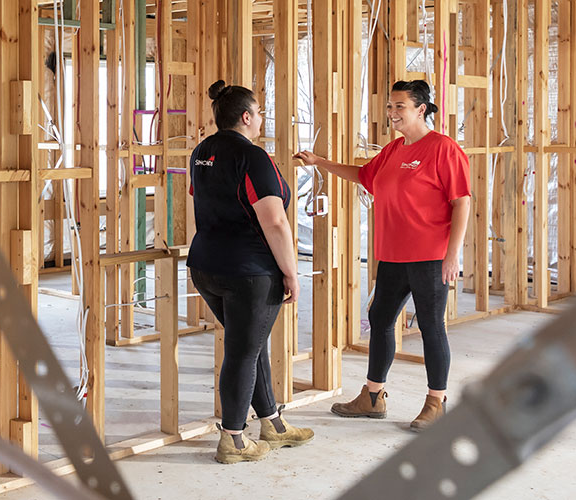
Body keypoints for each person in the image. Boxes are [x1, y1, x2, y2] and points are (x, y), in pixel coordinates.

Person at [295, 80, 472, 432]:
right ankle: (373, 396)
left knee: (431, 326)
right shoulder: (394, 150)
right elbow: (363, 175)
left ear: (421, 109)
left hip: (430, 256)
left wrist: (452, 256)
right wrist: (319, 162)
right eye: (390, 106)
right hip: (393, 255)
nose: (392, 113)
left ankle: (436, 402)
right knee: (379, 318)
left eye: (400, 106)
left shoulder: (443, 149)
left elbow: (462, 201)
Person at [189, 80, 316, 464]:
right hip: (249, 271)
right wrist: (291, 273)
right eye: (259, 112)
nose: (261, 118)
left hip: (206, 266)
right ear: (246, 117)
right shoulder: (253, 157)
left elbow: (207, 200)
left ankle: (273, 424)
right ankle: (233, 439)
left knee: (249, 342)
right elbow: (275, 222)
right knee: (243, 351)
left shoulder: (202, 152)